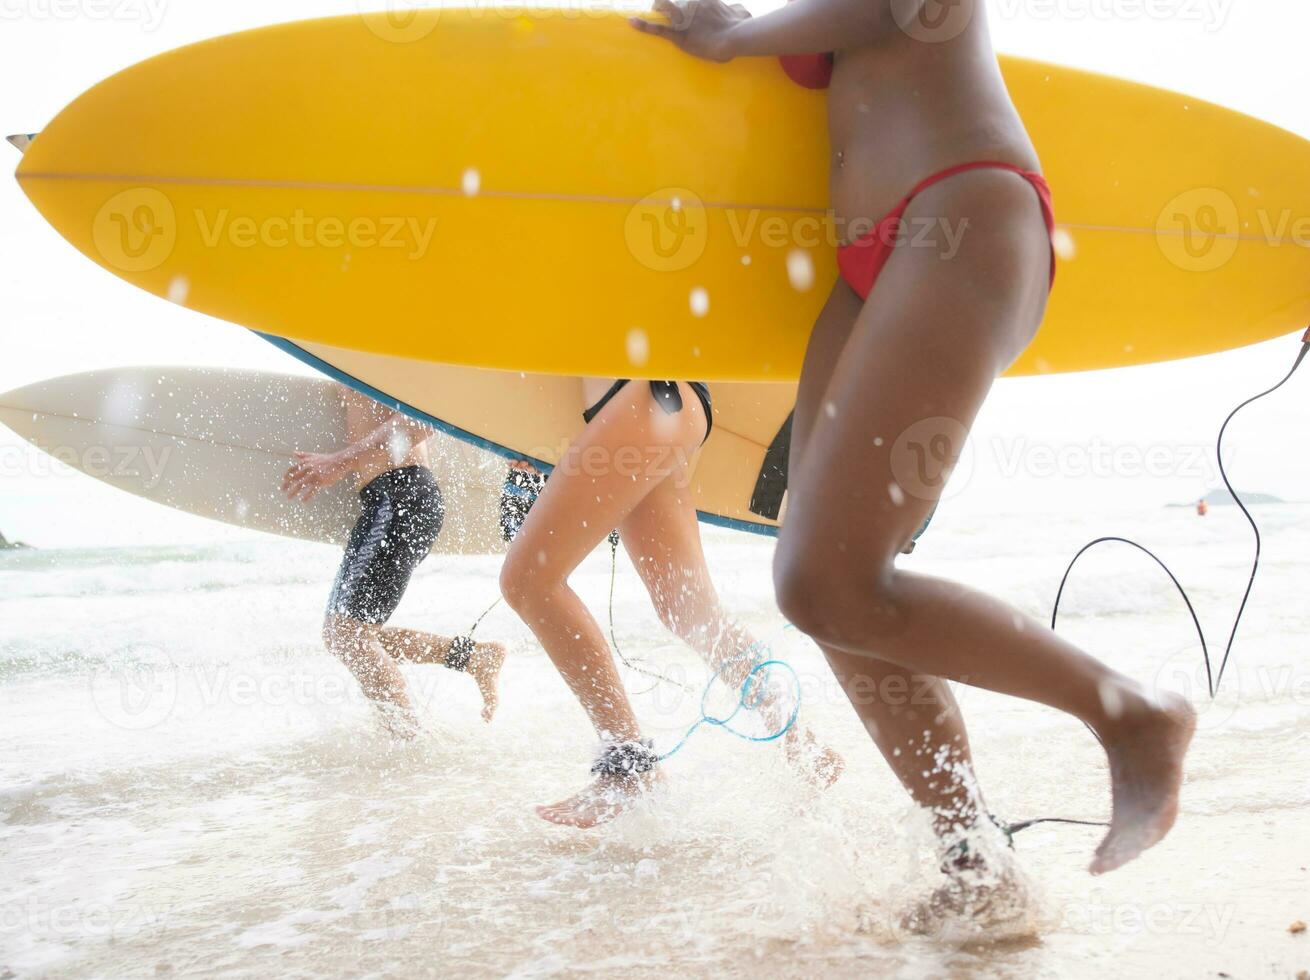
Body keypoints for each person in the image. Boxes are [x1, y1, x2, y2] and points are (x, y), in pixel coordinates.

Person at [632, 0, 1196, 905]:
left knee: (825, 580)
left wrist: (738, 38)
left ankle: (1134, 714)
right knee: (827, 592)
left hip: (959, 209)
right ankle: (973, 860)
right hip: (869, 263)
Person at [498, 378, 843, 828]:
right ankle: (800, 738)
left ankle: (628, 770)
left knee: (529, 582)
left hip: (644, 401)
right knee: (687, 608)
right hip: (656, 406)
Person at [282, 388, 506, 737]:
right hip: (391, 498)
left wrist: (339, 462)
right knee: (349, 635)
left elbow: (422, 419)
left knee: (348, 636)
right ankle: (472, 656)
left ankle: (406, 742)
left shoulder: (383, 350)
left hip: (401, 496)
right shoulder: (350, 353)